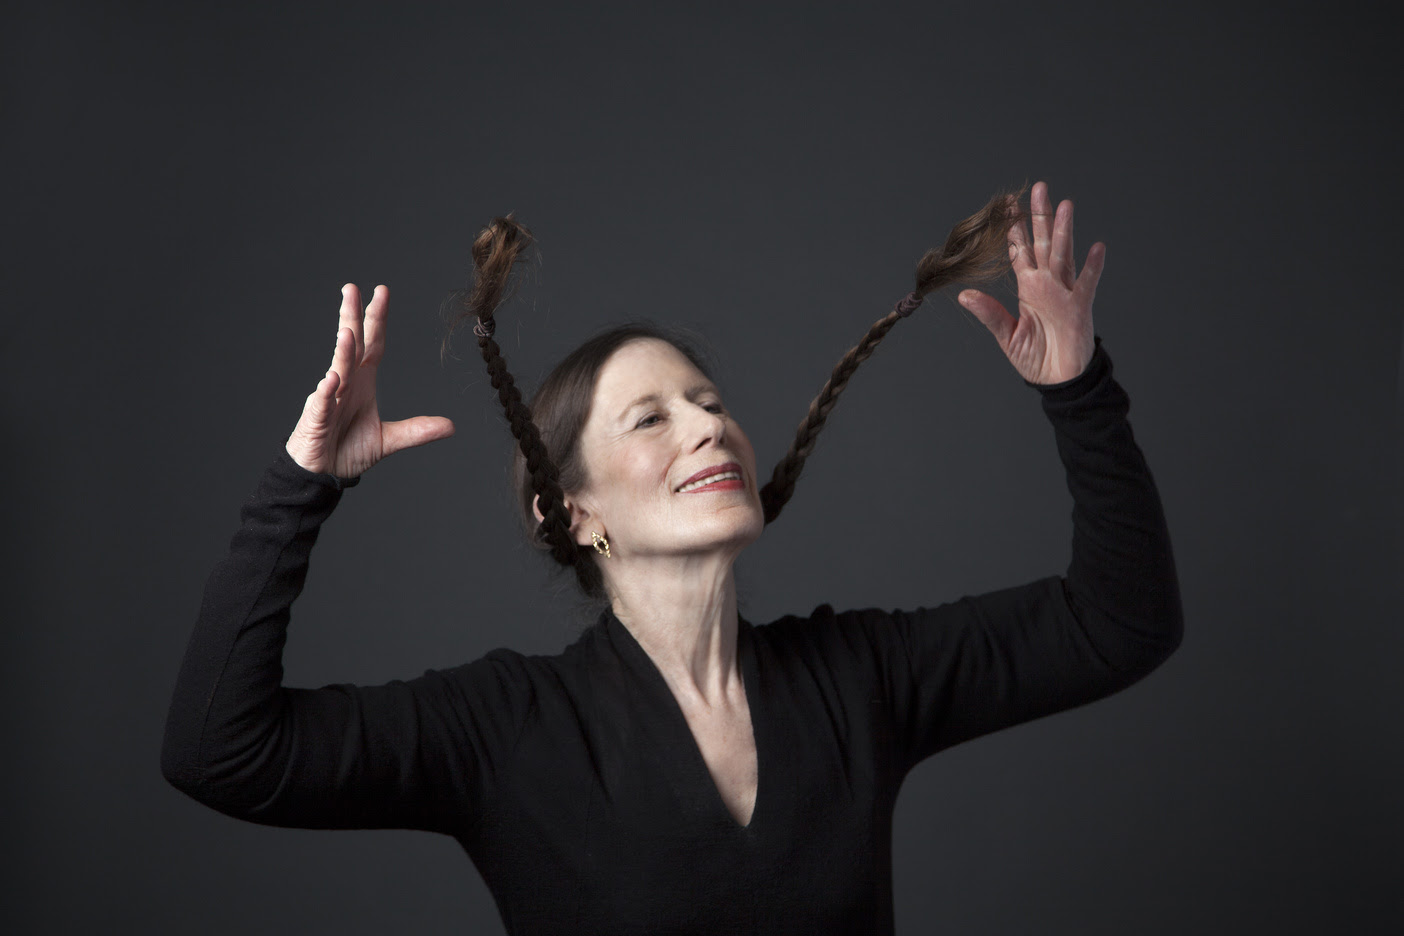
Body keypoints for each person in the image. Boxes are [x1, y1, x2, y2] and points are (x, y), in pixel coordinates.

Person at [161, 181, 1182, 935]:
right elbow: (218, 751)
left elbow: (1121, 623)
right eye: (651, 418)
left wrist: (1078, 390)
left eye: (710, 403)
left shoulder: (860, 677)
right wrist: (303, 484)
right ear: (576, 514)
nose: (708, 428)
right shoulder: (508, 730)